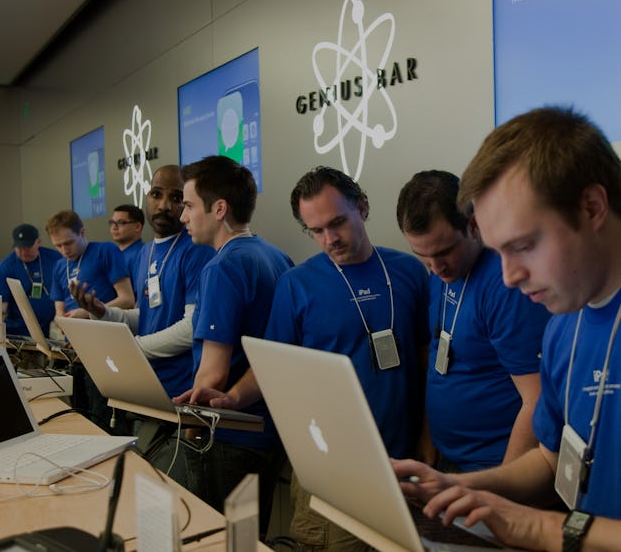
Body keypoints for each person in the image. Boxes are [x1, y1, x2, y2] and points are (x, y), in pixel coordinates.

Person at [393, 106, 621, 551]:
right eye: (500, 251)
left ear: (592, 207)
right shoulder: (563, 327)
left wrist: (535, 527)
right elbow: (549, 458)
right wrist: (459, 487)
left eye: (523, 246)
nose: (510, 276)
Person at [261, 166, 430, 551]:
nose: (329, 238)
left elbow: (425, 360)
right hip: (333, 470)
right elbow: (279, 378)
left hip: (404, 463)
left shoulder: (409, 271)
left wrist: (427, 433)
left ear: (363, 208)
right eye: (316, 230)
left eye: (337, 223)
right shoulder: (296, 285)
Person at [171, 155, 293, 534]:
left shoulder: (222, 266)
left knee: (219, 541)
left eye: (189, 206)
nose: (182, 217)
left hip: (226, 437)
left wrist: (188, 432)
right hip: (267, 432)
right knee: (248, 540)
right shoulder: (277, 257)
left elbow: (213, 375)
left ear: (219, 208)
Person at [396, 170, 549, 472]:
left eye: (443, 252)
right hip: (447, 457)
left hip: (494, 466)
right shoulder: (442, 273)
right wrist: (429, 436)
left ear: (473, 224)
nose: (436, 267)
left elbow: (538, 399)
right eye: (423, 257)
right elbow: (440, 358)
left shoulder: (506, 285)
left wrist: (504, 487)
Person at [69, 165, 215, 450]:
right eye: (156, 194)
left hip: (180, 393)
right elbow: (147, 317)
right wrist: (103, 313)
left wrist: (129, 349)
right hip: (146, 387)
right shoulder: (145, 253)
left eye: (175, 198)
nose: (163, 205)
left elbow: (191, 328)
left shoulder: (196, 249)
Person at [46, 209, 135, 432]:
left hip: (105, 348)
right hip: (75, 351)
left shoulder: (105, 251)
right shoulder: (59, 266)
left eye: (69, 243)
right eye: (58, 246)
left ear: (83, 232)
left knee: (103, 419)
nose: (64, 250)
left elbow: (126, 299)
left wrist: (86, 313)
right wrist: (64, 321)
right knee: (80, 416)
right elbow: (58, 311)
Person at [0, 223, 61, 337]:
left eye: (27, 247)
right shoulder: (5, 267)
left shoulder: (55, 259)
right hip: (16, 332)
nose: (24, 252)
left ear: (38, 242)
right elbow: (0, 309)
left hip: (48, 329)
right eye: (19, 248)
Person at [109, 204, 145, 297]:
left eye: (121, 223)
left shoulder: (142, 254)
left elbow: (139, 295)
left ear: (137, 226)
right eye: (112, 222)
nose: (114, 227)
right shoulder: (114, 254)